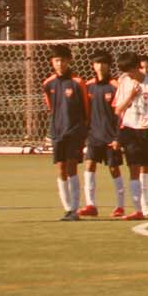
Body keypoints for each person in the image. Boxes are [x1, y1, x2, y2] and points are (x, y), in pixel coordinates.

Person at [114, 53, 148, 220]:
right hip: (129, 130)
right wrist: (130, 96)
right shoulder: (124, 83)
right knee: (133, 169)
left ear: (137, 67)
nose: (128, 75)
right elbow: (117, 109)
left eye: (130, 71)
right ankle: (138, 210)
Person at [42, 44, 89, 221]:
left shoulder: (78, 83)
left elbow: (86, 108)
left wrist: (84, 131)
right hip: (57, 132)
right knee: (60, 169)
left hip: (74, 131)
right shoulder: (48, 84)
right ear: (52, 63)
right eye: (56, 60)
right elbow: (51, 108)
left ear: (69, 61)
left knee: (72, 167)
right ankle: (67, 207)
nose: (59, 64)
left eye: (62, 60)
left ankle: (75, 209)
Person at [80, 53, 126, 217]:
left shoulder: (115, 86)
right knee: (89, 165)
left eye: (103, 63)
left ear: (108, 65)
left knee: (114, 168)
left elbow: (121, 114)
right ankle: (91, 205)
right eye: (97, 63)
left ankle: (120, 206)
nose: (100, 66)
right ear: (93, 66)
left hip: (111, 135)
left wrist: (118, 137)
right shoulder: (88, 86)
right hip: (94, 135)